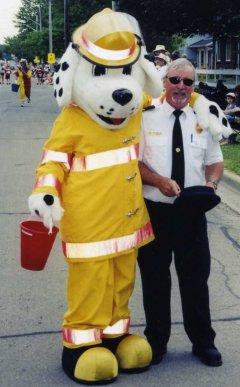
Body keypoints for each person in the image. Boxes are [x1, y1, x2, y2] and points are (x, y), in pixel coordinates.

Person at [138, 58, 224, 368]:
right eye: (175, 80)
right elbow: (134, 162)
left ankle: (203, 342)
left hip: (191, 213)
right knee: (155, 280)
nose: (181, 87)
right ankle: (156, 342)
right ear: (163, 81)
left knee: (196, 280)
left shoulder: (202, 117)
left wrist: (212, 183)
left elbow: (215, 161)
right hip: (155, 212)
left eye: (188, 82)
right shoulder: (145, 117)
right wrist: (158, 181)